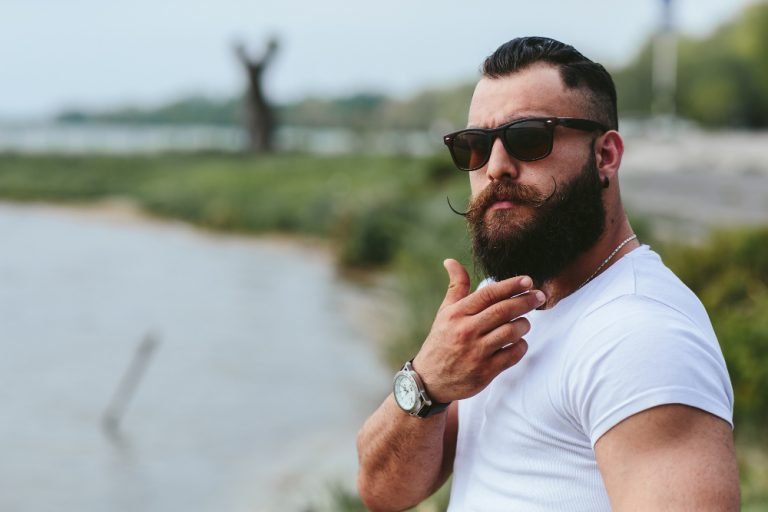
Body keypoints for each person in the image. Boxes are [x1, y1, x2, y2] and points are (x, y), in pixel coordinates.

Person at [356, 37, 739, 511]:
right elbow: (384, 491)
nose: (496, 167)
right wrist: (427, 382)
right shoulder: (504, 299)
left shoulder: (641, 335)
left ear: (605, 157)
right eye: (475, 146)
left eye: (529, 138)